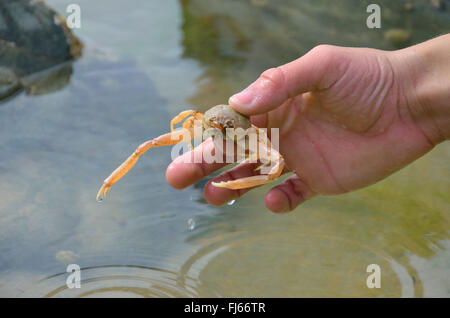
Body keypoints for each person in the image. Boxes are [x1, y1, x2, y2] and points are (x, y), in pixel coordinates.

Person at [166, 34, 449, 213]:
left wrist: (402, 91)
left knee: (273, 164)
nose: (220, 129)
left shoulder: (255, 136)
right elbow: (185, 118)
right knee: (157, 148)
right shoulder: (202, 120)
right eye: (216, 126)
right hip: (225, 121)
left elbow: (274, 165)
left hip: (249, 130)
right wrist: (405, 94)